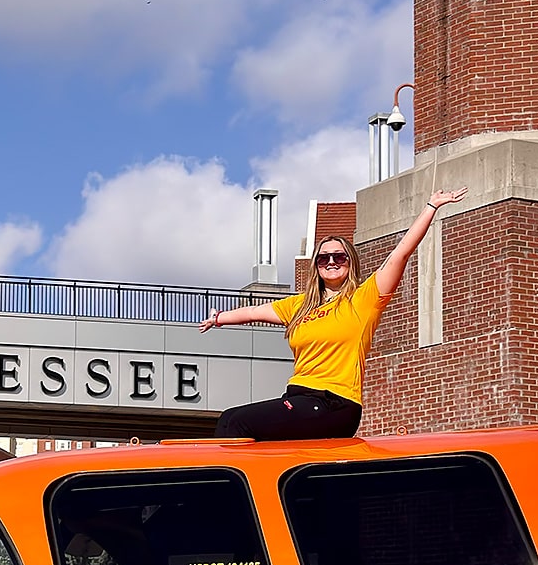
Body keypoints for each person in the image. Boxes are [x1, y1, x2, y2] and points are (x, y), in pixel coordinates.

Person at [199, 187, 468, 440]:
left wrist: (431, 207)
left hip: (334, 402)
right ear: (316, 266)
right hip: (299, 397)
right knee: (244, 428)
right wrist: (219, 318)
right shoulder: (300, 306)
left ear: (350, 263)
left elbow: (400, 254)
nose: (331, 262)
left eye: (339, 257)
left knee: (233, 421)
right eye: (323, 258)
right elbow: (256, 311)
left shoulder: (364, 299)